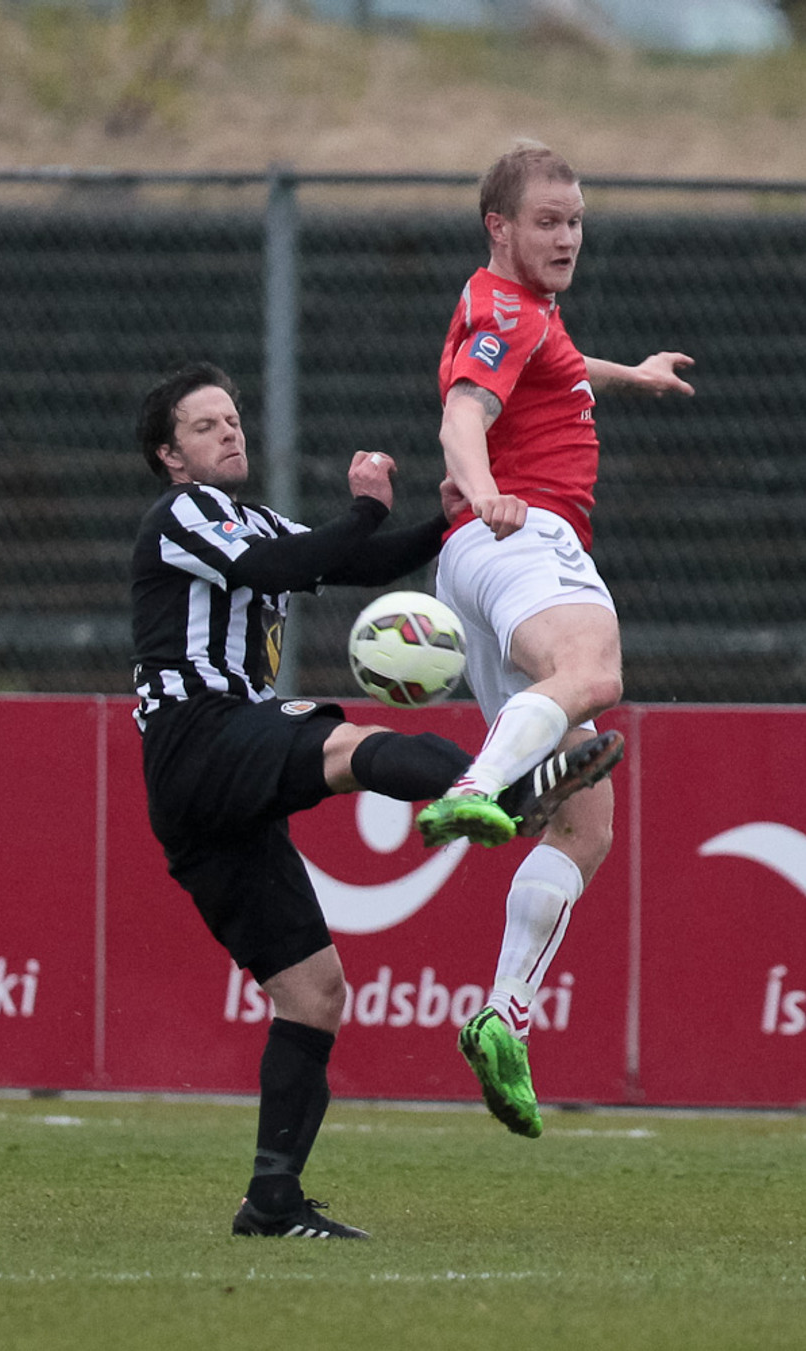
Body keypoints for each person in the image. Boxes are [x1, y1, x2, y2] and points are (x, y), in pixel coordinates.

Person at [130, 359, 620, 1239]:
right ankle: (507, 785)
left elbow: (355, 561)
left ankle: (272, 1201)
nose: (229, 431)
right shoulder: (183, 513)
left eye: (232, 418)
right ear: (170, 456)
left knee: (314, 991)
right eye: (205, 426)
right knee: (348, 746)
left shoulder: (246, 516)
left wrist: (448, 520)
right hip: (198, 735)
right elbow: (287, 561)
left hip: (211, 790)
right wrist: (363, 508)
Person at [416, 144, 694, 1137]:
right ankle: (479, 787)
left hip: (488, 562)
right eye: (547, 220)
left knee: (585, 823)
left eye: (575, 220)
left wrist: (632, 375)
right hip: (523, 535)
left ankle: (503, 1014)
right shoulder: (504, 311)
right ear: (499, 227)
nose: (567, 235)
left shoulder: (524, 311)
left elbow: (553, 368)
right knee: (593, 670)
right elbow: (463, 415)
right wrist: (486, 486)